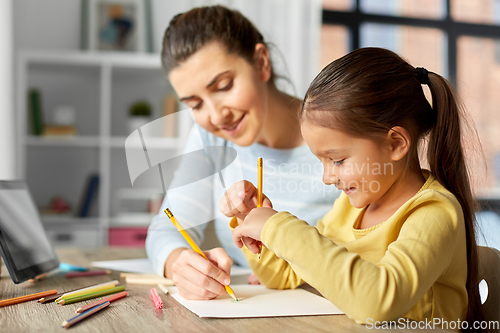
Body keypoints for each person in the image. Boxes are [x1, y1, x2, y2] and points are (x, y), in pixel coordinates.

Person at [223, 47, 485, 329]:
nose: (327, 177)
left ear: (396, 143)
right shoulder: (348, 208)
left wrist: (278, 228)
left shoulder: (433, 213)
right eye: (322, 161)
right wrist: (254, 224)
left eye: (336, 160)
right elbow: (285, 277)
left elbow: (377, 301)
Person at [146, 5, 340, 301]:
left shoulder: (343, 138)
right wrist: (180, 264)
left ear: (262, 63)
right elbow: (166, 228)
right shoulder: (212, 140)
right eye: (195, 104)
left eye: (224, 86)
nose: (216, 115)